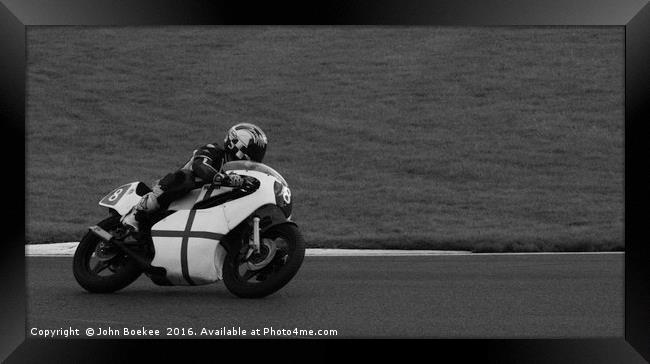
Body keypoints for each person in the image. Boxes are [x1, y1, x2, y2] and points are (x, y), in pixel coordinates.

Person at [120, 123, 268, 233]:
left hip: (205, 209)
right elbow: (200, 167)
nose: (257, 157)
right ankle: (136, 213)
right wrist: (225, 179)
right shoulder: (213, 150)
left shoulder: (243, 173)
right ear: (238, 144)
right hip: (180, 195)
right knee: (184, 178)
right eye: (255, 151)